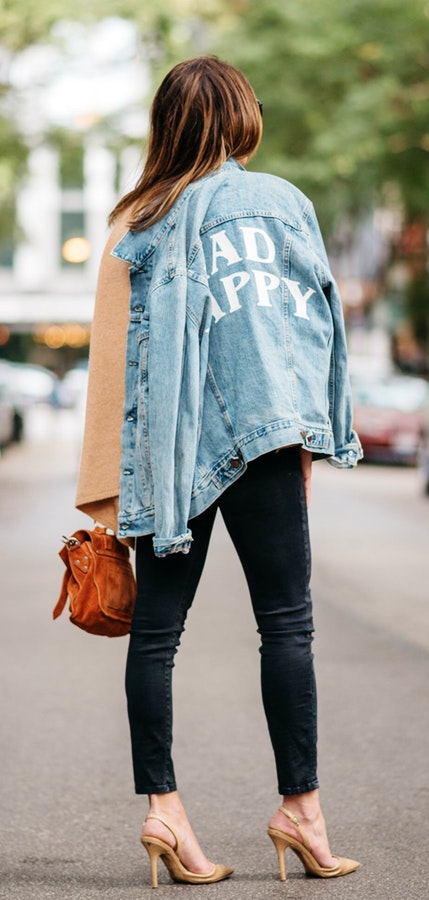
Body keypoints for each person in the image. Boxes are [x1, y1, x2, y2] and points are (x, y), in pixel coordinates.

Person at [76, 55, 362, 887]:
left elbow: (112, 373)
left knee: (158, 637)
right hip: (263, 438)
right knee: (287, 625)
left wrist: (111, 498)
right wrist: (308, 437)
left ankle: (163, 811)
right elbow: (303, 330)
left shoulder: (136, 220)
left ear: (167, 124)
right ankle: (300, 811)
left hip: (170, 457)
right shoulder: (278, 202)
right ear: (241, 117)